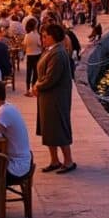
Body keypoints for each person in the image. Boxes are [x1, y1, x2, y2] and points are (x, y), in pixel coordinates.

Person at [27, 23, 75, 173]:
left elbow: (51, 77)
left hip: (56, 98)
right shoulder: (49, 51)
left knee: (59, 128)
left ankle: (68, 161)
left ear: (53, 37)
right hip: (47, 97)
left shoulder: (58, 54)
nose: (43, 39)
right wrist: (37, 85)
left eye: (45, 36)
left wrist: (37, 86)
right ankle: (54, 160)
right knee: (49, 129)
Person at [22, 18, 42, 91]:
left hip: (29, 54)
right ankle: (33, 87)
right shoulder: (37, 35)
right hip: (37, 54)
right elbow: (40, 44)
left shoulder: (27, 35)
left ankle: (27, 89)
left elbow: (24, 45)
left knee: (29, 72)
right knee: (35, 72)